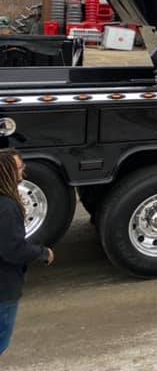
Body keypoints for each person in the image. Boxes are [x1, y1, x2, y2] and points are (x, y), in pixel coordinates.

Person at [0, 150, 53, 356]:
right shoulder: (7, 207)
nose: (23, 172)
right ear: (6, 172)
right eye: (19, 168)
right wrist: (43, 253)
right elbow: (12, 250)